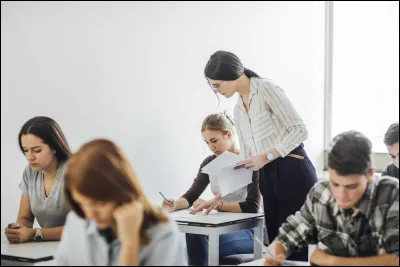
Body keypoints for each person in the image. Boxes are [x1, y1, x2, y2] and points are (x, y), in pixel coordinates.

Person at [203, 50, 317, 260]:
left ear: (231, 74)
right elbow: (243, 163)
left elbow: (300, 130)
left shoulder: (266, 89)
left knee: (297, 248)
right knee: (277, 249)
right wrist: (219, 197)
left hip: (293, 170)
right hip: (267, 177)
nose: (216, 90)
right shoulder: (238, 109)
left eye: (217, 85)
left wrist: (267, 155)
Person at [264, 131, 399, 266]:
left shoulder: (392, 194)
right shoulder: (321, 193)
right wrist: (276, 250)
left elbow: (395, 260)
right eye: (335, 184)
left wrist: (331, 261)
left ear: (370, 175)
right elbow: (290, 234)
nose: (341, 195)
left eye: (351, 186)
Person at [55, 139, 187, 266]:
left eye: (100, 204)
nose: (90, 214)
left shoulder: (163, 233)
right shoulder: (76, 221)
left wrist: (129, 243)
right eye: (81, 203)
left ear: (122, 193)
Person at [162, 112, 260, 266]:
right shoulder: (209, 163)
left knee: (205, 248)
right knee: (193, 232)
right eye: (207, 142)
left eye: (214, 141)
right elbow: (191, 196)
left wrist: (217, 205)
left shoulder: (251, 161)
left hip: (251, 230)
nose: (211, 147)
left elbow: (252, 207)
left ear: (228, 134)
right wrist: (174, 205)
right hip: (221, 226)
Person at [5, 116, 72, 243]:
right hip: (49, 249)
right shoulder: (30, 172)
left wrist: (35, 234)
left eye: (37, 150)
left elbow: (81, 228)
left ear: (54, 147)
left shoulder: (75, 172)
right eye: (25, 150)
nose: (30, 157)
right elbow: (25, 218)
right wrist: (18, 231)